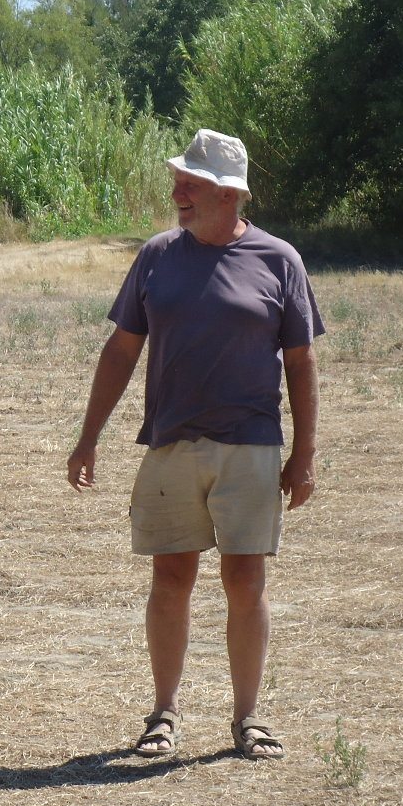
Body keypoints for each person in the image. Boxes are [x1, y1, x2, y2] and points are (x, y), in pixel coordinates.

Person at [67, 128, 323, 761]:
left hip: (251, 446)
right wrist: (89, 437)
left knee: (246, 581)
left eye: (191, 183)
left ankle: (249, 719)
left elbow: (301, 361)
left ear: (229, 193)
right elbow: (122, 350)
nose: (177, 192)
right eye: (177, 181)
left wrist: (304, 454)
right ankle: (163, 714)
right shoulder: (157, 255)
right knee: (171, 576)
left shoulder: (279, 260)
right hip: (171, 444)